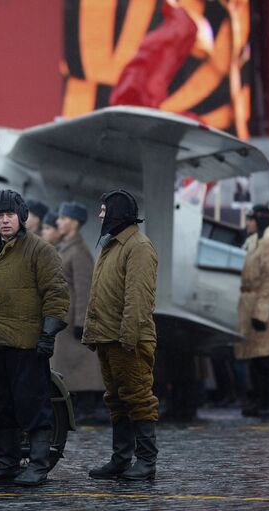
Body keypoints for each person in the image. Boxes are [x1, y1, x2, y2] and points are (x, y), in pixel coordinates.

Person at [0, 189, 69, 487]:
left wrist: (48, 335)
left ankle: (38, 465)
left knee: (33, 406)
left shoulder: (41, 250)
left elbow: (57, 295)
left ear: (21, 217)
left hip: (27, 345)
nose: (4, 220)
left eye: (10, 215)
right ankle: (7, 464)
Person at [84, 189, 159, 481]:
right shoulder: (112, 245)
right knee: (116, 399)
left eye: (104, 210)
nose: (100, 215)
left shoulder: (138, 246)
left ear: (116, 213)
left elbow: (138, 298)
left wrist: (129, 338)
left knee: (138, 397)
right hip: (108, 338)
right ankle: (121, 458)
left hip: (127, 340)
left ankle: (146, 461)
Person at [51, 201, 105, 424]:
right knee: (67, 367)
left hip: (73, 318)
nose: (58, 222)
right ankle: (76, 407)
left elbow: (85, 289)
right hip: (64, 317)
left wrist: (82, 321)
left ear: (73, 223)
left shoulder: (79, 252)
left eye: (63, 219)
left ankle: (87, 407)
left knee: (80, 368)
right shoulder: (67, 248)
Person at [235, 205, 269, 418]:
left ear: (260, 221)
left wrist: (261, 312)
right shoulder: (255, 244)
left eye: (250, 219)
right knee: (257, 359)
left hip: (265, 308)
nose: (247, 223)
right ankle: (261, 400)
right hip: (252, 305)